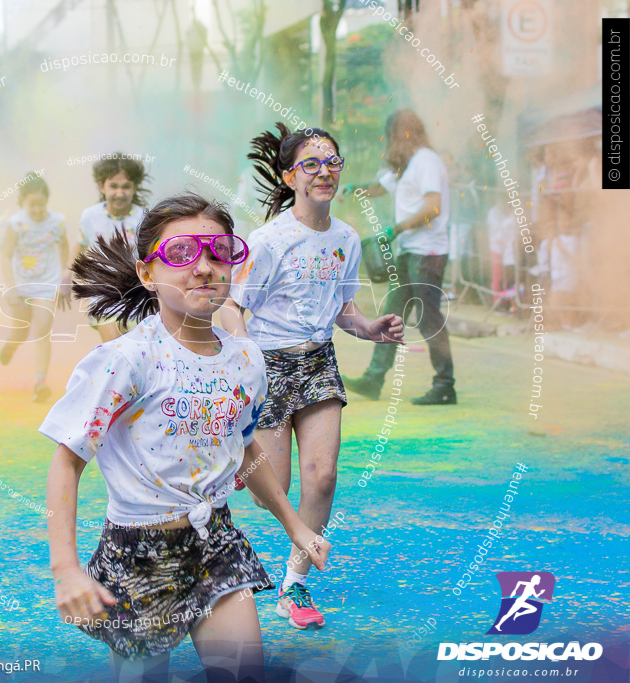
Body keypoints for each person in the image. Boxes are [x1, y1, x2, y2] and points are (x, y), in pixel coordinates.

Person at [43, 193, 331, 683]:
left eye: (218, 252)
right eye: (181, 254)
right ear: (147, 272)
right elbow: (66, 462)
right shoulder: (126, 360)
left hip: (216, 543)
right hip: (139, 555)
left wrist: (294, 525)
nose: (203, 267)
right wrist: (66, 570)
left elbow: (243, 448)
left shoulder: (246, 360)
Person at [220, 123, 404, 631]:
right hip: (270, 368)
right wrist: (245, 358)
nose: (325, 172)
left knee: (322, 477)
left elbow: (343, 308)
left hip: (319, 363)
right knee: (269, 490)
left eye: (333, 163)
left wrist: (370, 327)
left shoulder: (346, 239)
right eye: (311, 164)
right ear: (289, 176)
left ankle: (293, 583)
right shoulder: (269, 240)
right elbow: (233, 307)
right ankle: (243, 464)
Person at [340, 109, 457, 405]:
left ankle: (445, 384)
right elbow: (381, 187)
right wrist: (355, 189)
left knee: (428, 319)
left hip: (427, 252)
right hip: (410, 250)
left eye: (391, 136)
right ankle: (373, 378)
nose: (389, 143)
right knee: (393, 314)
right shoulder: (408, 165)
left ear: (403, 134)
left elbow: (433, 207)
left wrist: (396, 229)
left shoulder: (426, 161)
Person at [0, 173, 70, 402]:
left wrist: (63, 277)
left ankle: (40, 382)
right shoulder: (16, 223)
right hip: (20, 286)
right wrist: (11, 287)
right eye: (32, 205)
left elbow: (64, 248)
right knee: (21, 331)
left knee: (42, 332)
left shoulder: (57, 221)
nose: (37, 210)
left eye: (41, 204)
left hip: (46, 286)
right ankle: (11, 345)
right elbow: (6, 255)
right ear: (23, 203)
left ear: (46, 201)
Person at [66, 153, 150, 343]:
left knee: (136, 351)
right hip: (103, 293)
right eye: (113, 186)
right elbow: (81, 244)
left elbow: (152, 254)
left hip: (137, 295)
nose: (119, 193)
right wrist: (66, 273)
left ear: (134, 187)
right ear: (102, 187)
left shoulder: (144, 217)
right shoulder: (90, 216)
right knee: (115, 348)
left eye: (126, 186)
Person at [486, 192, 517, 311]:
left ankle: (506, 301)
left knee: (506, 276)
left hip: (506, 250)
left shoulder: (506, 214)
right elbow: (497, 234)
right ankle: (496, 302)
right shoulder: (493, 213)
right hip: (497, 248)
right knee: (497, 275)